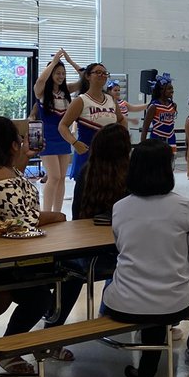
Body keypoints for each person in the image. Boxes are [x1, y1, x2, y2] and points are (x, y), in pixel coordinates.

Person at [0, 117, 66, 373]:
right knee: (43, 292)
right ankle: (5, 347)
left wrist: (24, 155)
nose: (23, 142)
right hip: (4, 259)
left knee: (46, 289)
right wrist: (57, 216)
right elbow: (20, 221)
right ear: (11, 145)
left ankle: (5, 345)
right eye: (19, 139)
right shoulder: (2, 179)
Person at [100, 141, 189, 377]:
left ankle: (145, 372)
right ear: (167, 169)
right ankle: (149, 370)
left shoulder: (120, 208)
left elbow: (121, 249)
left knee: (142, 294)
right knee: (162, 300)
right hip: (175, 303)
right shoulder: (185, 207)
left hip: (124, 303)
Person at [51, 124, 132, 328]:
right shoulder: (130, 174)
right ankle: (107, 313)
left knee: (70, 273)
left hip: (86, 251)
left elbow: (77, 213)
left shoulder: (87, 171)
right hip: (121, 251)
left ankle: (54, 324)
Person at [58, 62, 125, 181]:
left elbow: (121, 119)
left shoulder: (111, 100)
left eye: (105, 73)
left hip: (110, 152)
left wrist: (122, 136)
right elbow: (62, 125)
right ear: (88, 76)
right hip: (88, 153)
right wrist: (74, 143)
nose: (102, 75)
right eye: (98, 72)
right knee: (87, 194)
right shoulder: (81, 100)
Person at [33, 48, 81, 212]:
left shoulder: (66, 90)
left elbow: (85, 78)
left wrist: (69, 61)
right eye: (57, 73)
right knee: (53, 177)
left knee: (61, 178)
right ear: (50, 74)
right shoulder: (41, 92)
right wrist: (54, 62)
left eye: (63, 73)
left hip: (64, 137)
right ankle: (46, 213)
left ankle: (57, 213)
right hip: (47, 137)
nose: (61, 76)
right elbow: (40, 80)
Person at [142, 73, 177, 153]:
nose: (172, 91)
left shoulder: (173, 105)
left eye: (172, 88)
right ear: (161, 90)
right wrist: (142, 145)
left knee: (170, 163)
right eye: (169, 88)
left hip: (171, 138)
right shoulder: (154, 106)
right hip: (157, 138)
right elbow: (145, 127)